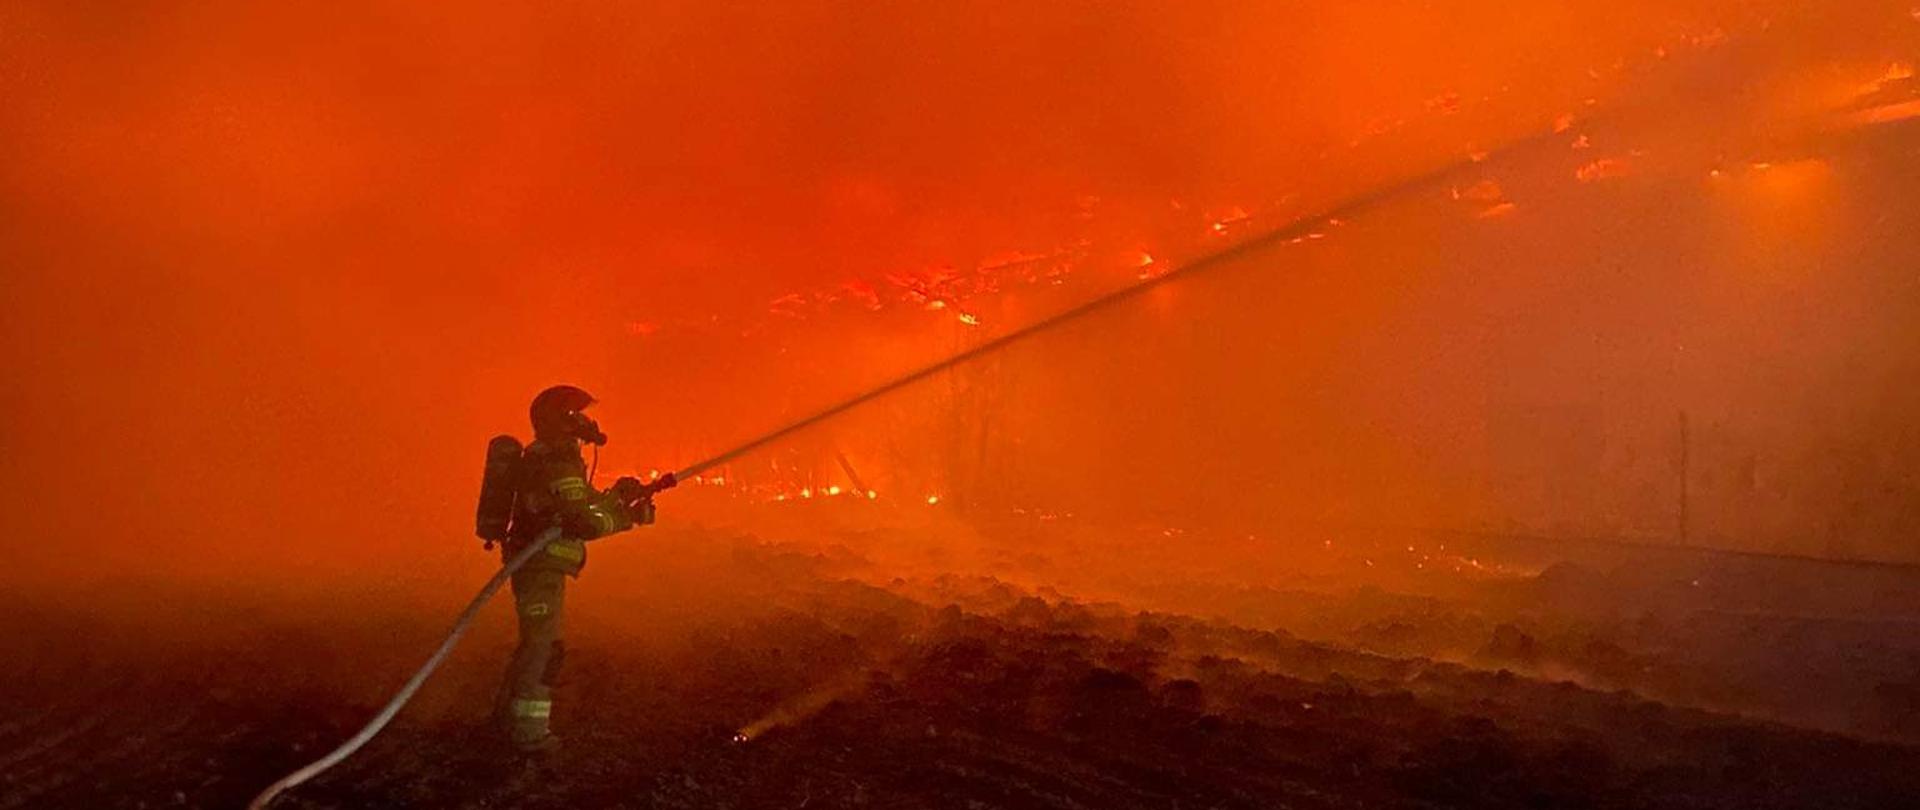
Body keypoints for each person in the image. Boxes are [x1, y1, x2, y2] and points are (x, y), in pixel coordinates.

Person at [493, 384, 674, 753]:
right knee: (543, 648)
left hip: (539, 566)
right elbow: (582, 523)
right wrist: (627, 518)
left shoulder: (555, 459)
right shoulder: (557, 460)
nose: (586, 422)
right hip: (539, 568)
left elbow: (583, 503)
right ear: (560, 419)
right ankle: (528, 734)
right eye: (576, 414)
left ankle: (504, 721)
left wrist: (620, 496)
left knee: (536, 644)